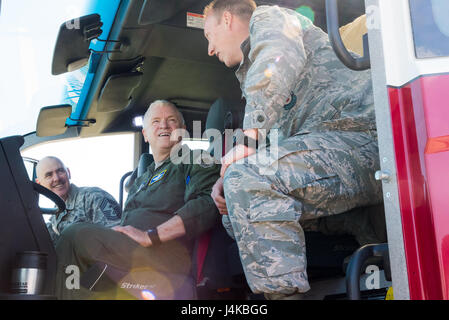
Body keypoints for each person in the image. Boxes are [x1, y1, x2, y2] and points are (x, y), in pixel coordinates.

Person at [204, 0, 383, 299]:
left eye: (208, 35)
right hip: (332, 151)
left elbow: (276, 57)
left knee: (249, 180)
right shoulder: (253, 77)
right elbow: (277, 146)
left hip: (364, 138)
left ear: (226, 19)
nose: (210, 50)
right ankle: (367, 240)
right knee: (235, 203)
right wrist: (230, 176)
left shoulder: (270, 18)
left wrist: (248, 141)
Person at [54, 100, 220, 299]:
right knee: (83, 274)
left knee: (74, 236)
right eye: (156, 121)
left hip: (167, 255)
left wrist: (151, 235)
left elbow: (207, 203)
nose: (164, 126)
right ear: (146, 134)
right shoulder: (141, 178)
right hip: (132, 253)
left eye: (171, 120)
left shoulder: (194, 159)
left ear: (183, 130)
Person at [35, 156, 122, 244]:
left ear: (68, 173)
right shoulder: (55, 216)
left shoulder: (93, 197)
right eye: (49, 175)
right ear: (39, 184)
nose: (57, 178)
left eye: (60, 171)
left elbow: (117, 238)